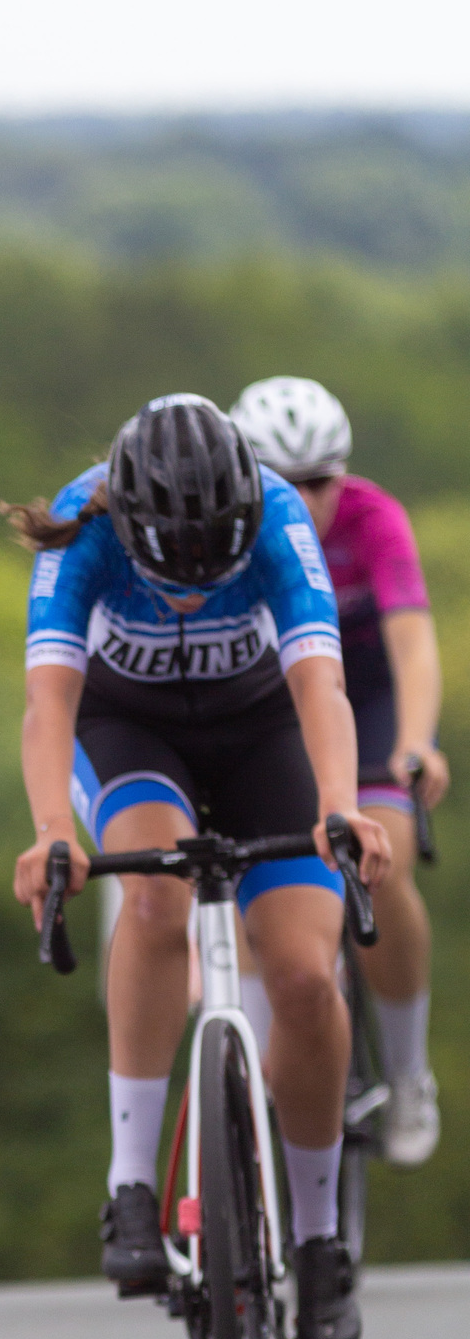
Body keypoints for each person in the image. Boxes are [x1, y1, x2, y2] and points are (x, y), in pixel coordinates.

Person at [8, 393, 390, 1339]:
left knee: (304, 977)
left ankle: (316, 1240)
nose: (186, 589)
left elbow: (320, 686)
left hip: (263, 732)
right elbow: (49, 704)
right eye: (165, 569)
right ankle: (132, 1184)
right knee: (150, 894)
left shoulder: (278, 515)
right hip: (131, 729)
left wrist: (341, 805)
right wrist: (54, 828)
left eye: (208, 569)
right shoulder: (85, 520)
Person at [230, 376, 447, 1165]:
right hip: (280, 706)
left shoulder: (372, 517)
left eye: (324, 480)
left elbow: (413, 642)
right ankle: (252, 1074)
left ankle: (407, 1066)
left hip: (369, 696)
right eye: (287, 484)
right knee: (259, 873)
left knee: (382, 863)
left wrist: (417, 744)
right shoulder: (229, 529)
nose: (310, 501)